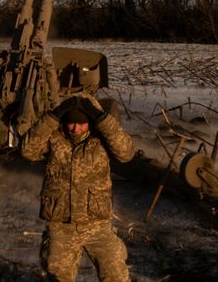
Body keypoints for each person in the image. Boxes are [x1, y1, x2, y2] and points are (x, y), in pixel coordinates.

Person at [21, 95, 136, 282]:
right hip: (61, 228)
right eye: (71, 124)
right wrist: (53, 116)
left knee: (117, 275)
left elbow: (126, 153)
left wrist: (101, 118)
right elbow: (27, 150)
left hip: (98, 228)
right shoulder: (54, 138)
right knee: (58, 277)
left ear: (91, 122)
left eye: (82, 124)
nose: (76, 129)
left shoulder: (102, 140)